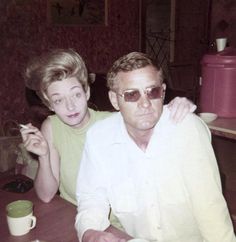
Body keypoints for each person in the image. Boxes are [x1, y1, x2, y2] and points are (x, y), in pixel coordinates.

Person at [75, 51, 236, 242]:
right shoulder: (99, 138)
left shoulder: (186, 130)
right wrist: (90, 232)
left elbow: (211, 208)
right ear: (113, 100)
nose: (145, 104)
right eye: (132, 94)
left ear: (163, 93)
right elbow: (92, 197)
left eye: (153, 92)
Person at [20, 49, 196, 206]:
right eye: (58, 100)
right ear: (49, 104)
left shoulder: (113, 122)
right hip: (74, 217)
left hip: (120, 224)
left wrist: (174, 110)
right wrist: (43, 156)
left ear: (87, 92)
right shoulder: (51, 127)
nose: (70, 106)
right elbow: (46, 195)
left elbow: (152, 124)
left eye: (76, 94)